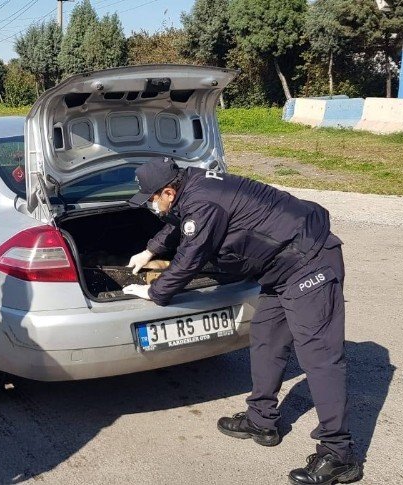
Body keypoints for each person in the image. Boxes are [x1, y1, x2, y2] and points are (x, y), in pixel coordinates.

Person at [122, 157, 362, 485]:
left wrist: (155, 292)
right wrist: (150, 251)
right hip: (280, 267)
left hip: (309, 260)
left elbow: (191, 255)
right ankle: (261, 420)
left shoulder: (202, 200)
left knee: (319, 358)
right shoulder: (189, 183)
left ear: (167, 190)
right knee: (266, 339)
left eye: (151, 199)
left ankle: (339, 455)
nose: (151, 205)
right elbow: (181, 220)